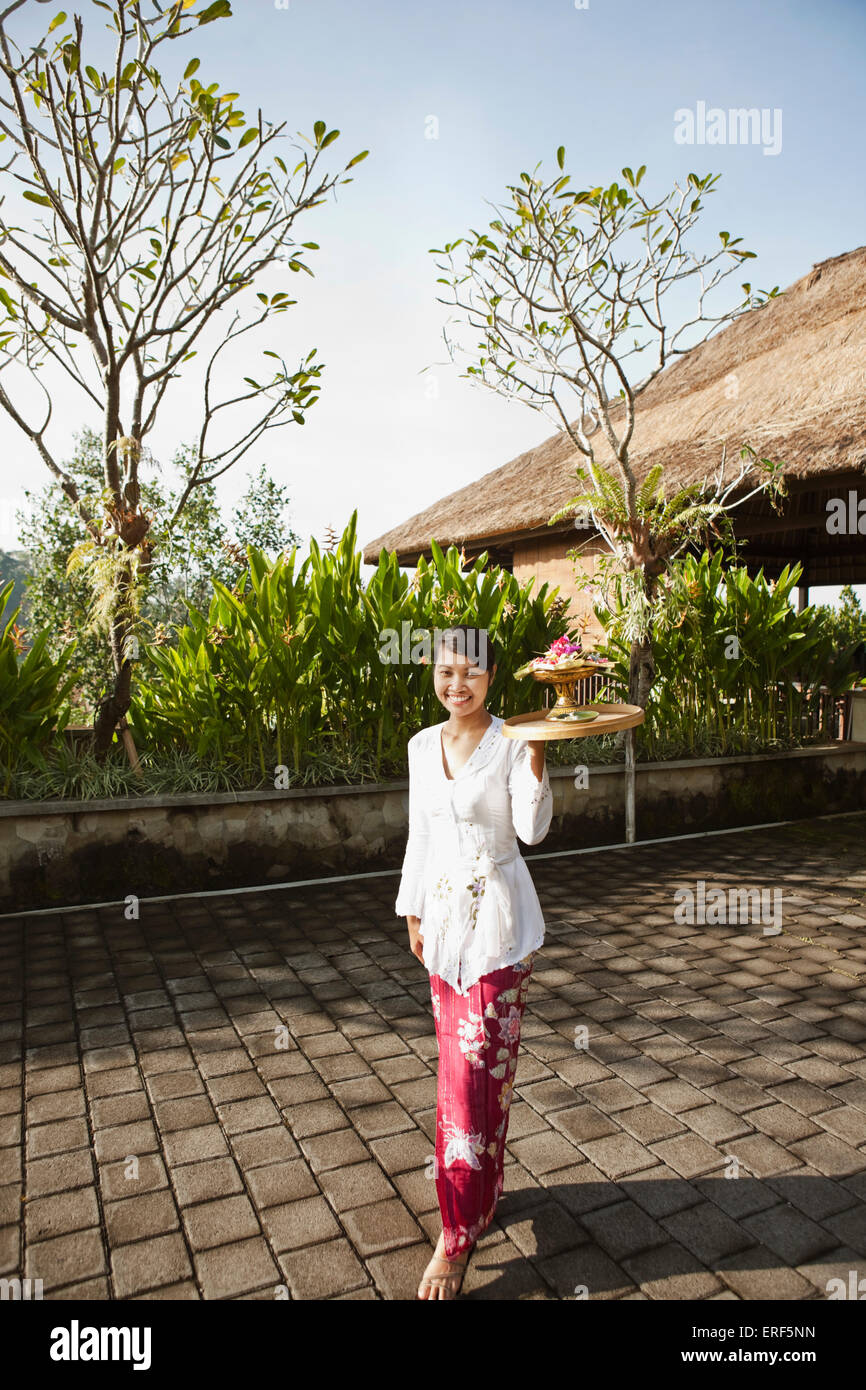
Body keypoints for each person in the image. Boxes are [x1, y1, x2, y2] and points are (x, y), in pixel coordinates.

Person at [395, 623, 554, 1299]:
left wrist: (541, 754)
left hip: (498, 931)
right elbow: (420, 832)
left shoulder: (514, 742)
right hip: (441, 929)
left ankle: (455, 1236)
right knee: (467, 1080)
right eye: (444, 673)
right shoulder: (421, 745)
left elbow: (531, 829)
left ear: (494, 678)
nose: (456, 686)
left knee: (477, 1082)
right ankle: (478, 1200)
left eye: (471, 674)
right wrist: (409, 908)